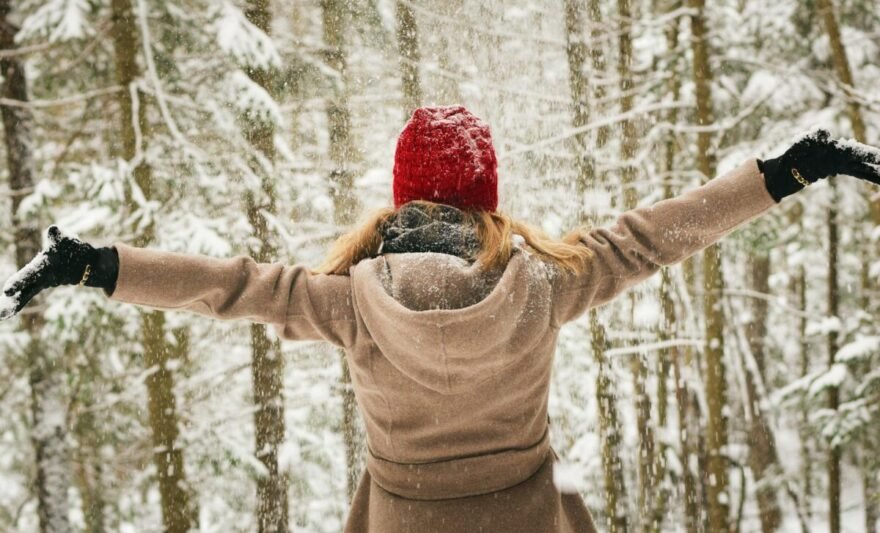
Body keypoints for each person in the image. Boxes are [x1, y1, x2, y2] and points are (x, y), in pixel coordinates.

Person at [2, 105, 880, 532]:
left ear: (402, 196)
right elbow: (658, 235)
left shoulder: (351, 301)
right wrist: (789, 169)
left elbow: (231, 286)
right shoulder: (545, 283)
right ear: (486, 199)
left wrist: (97, 265)